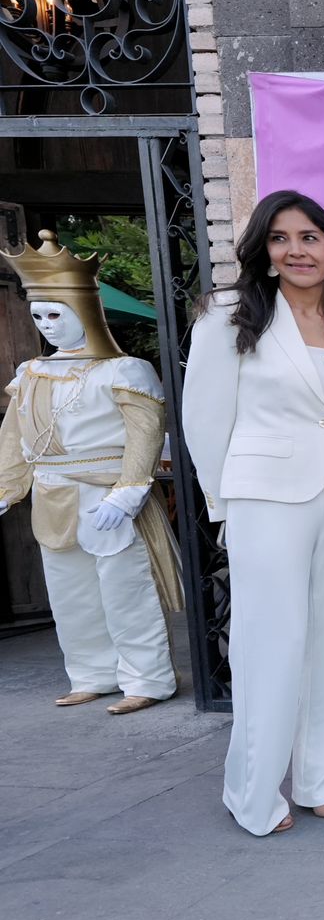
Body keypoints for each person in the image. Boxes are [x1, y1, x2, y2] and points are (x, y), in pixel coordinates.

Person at [184, 189, 324, 836]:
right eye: (281, 238)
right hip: (264, 498)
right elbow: (205, 417)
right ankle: (254, 792)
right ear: (263, 250)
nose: (297, 250)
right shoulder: (229, 315)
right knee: (270, 643)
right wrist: (224, 504)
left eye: (310, 237)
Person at [0, 231, 180, 714]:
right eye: (38, 316)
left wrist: (129, 491)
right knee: (70, 593)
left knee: (127, 590)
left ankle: (147, 679)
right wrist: (6, 486)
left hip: (107, 495)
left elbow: (145, 433)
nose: (46, 326)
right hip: (52, 494)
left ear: (84, 310)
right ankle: (91, 675)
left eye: (55, 314)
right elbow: (14, 435)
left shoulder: (126, 370)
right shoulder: (31, 372)